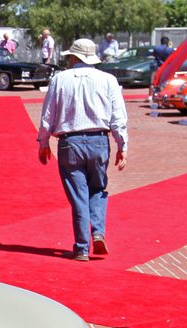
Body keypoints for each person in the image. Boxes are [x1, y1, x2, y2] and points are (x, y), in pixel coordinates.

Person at [37, 38, 128, 261]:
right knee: (97, 188)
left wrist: (43, 142)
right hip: (99, 141)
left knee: (79, 195)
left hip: (70, 142)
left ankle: (81, 247)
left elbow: (48, 115)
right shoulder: (108, 80)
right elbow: (118, 117)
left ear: (75, 57)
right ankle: (97, 232)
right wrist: (122, 145)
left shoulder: (60, 79)